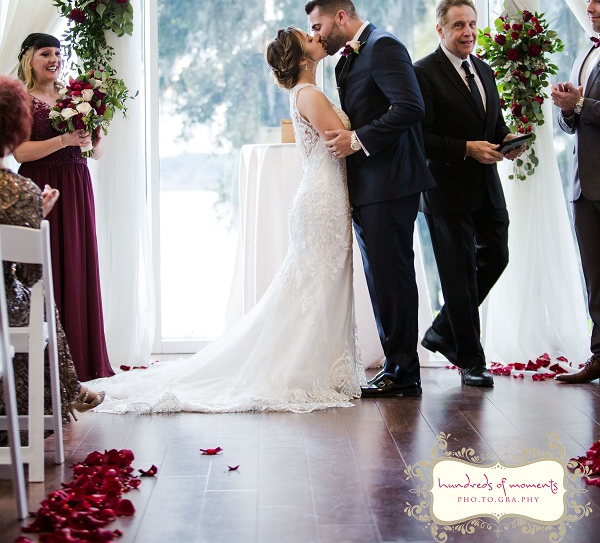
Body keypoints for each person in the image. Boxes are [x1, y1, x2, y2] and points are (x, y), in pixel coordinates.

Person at [88, 27, 365, 413]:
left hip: (323, 196)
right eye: (310, 37)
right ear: (303, 58)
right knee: (319, 284)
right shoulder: (311, 94)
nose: (319, 38)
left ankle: (316, 365)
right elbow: (340, 142)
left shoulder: (302, 93)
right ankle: (303, 370)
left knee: (319, 285)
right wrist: (380, 127)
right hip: (323, 201)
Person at [305, 0, 434, 398]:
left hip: (391, 182)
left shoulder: (384, 46)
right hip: (368, 184)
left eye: (318, 26)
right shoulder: (348, 57)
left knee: (391, 274)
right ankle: (397, 365)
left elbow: (410, 107)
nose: (316, 35)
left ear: (340, 17)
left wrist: (358, 139)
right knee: (381, 276)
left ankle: (404, 371)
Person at [413, 0, 525, 387]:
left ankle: (442, 331)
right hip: (446, 189)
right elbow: (418, 136)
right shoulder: (422, 73)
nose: (468, 32)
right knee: (457, 275)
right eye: (459, 25)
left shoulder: (484, 69)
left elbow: (493, 123)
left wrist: (508, 138)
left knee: (497, 254)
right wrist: (464, 149)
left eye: (473, 24)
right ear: (440, 30)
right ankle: (471, 360)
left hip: (487, 185)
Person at [0, 75, 104, 435]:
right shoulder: (16, 190)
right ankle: (61, 392)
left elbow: (97, 151)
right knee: (41, 302)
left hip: (73, 177)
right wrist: (35, 215)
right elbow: (30, 273)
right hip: (5, 308)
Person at [12, 33, 113, 381]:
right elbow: (19, 152)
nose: (54, 58)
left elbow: (94, 153)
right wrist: (63, 140)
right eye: (45, 53)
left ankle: (83, 361)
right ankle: (50, 367)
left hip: (77, 182)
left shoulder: (75, 95)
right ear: (29, 58)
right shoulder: (22, 100)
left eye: (58, 52)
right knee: (50, 265)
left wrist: (95, 138)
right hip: (43, 186)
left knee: (78, 262)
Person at [551, 0, 600, 384]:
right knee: (594, 275)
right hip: (584, 184)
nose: (590, 6)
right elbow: (573, 124)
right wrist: (568, 107)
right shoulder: (585, 52)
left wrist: (581, 103)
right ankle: (599, 354)